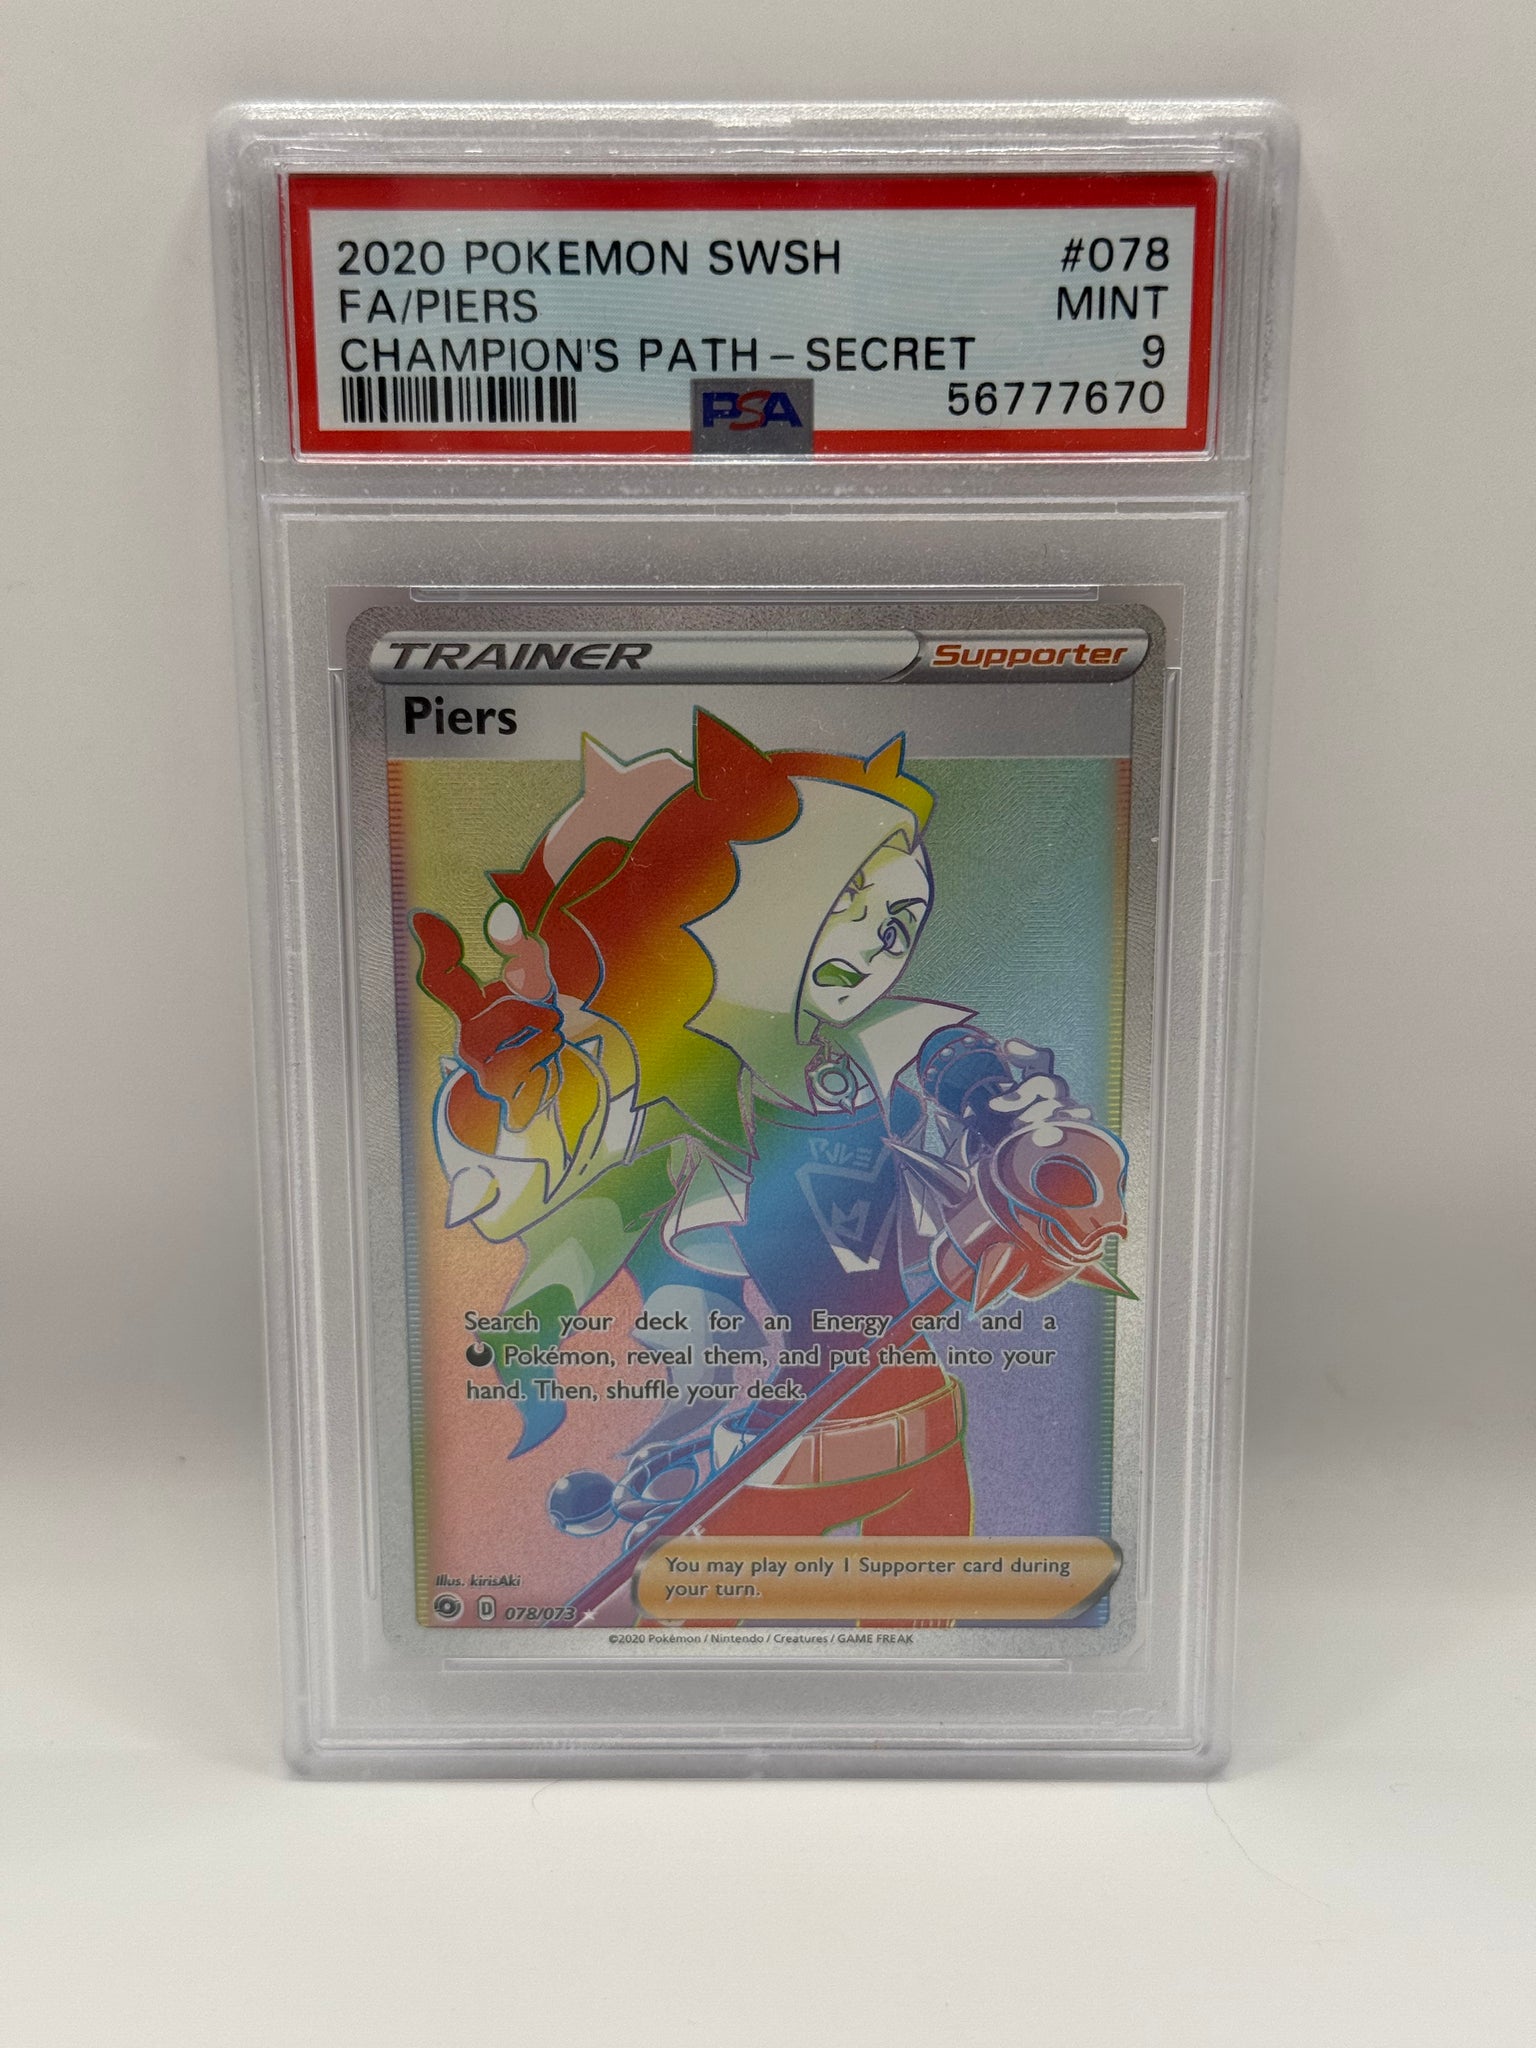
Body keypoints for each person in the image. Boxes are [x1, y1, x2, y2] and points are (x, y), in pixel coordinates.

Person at [413, 711, 1126, 1544]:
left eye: (899, 922)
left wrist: (1009, 1117)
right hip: (812, 1429)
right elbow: (611, 1209)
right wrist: (542, 1309)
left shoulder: (875, 1047)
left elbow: (959, 1067)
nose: (877, 944)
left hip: (906, 1422)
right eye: (845, 901)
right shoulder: (694, 1095)